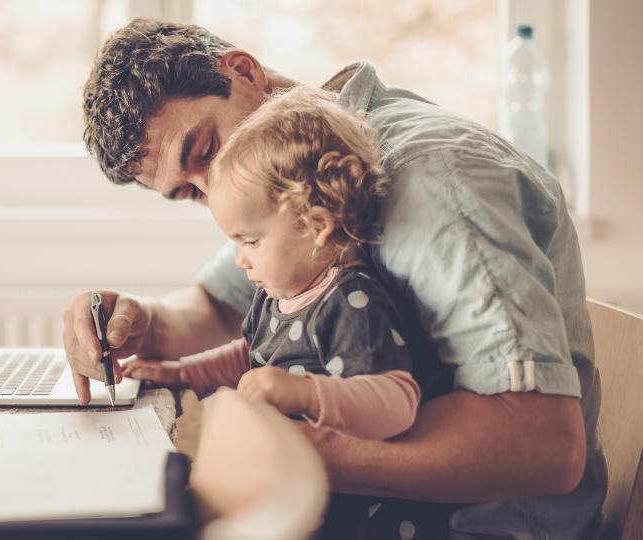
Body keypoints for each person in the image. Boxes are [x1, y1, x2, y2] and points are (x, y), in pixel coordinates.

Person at [64, 18, 603, 539]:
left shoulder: (433, 177)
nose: (215, 194)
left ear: (244, 71)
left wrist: (289, 451)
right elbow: (223, 309)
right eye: (191, 193)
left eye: (205, 152)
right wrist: (138, 322)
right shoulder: (286, 166)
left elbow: (544, 446)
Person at [123, 84, 426, 443]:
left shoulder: (351, 303)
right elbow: (251, 356)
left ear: (316, 226)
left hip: (346, 492)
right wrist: (181, 374)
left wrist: (304, 393)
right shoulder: (276, 297)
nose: (240, 259)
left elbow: (397, 403)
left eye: (250, 241)